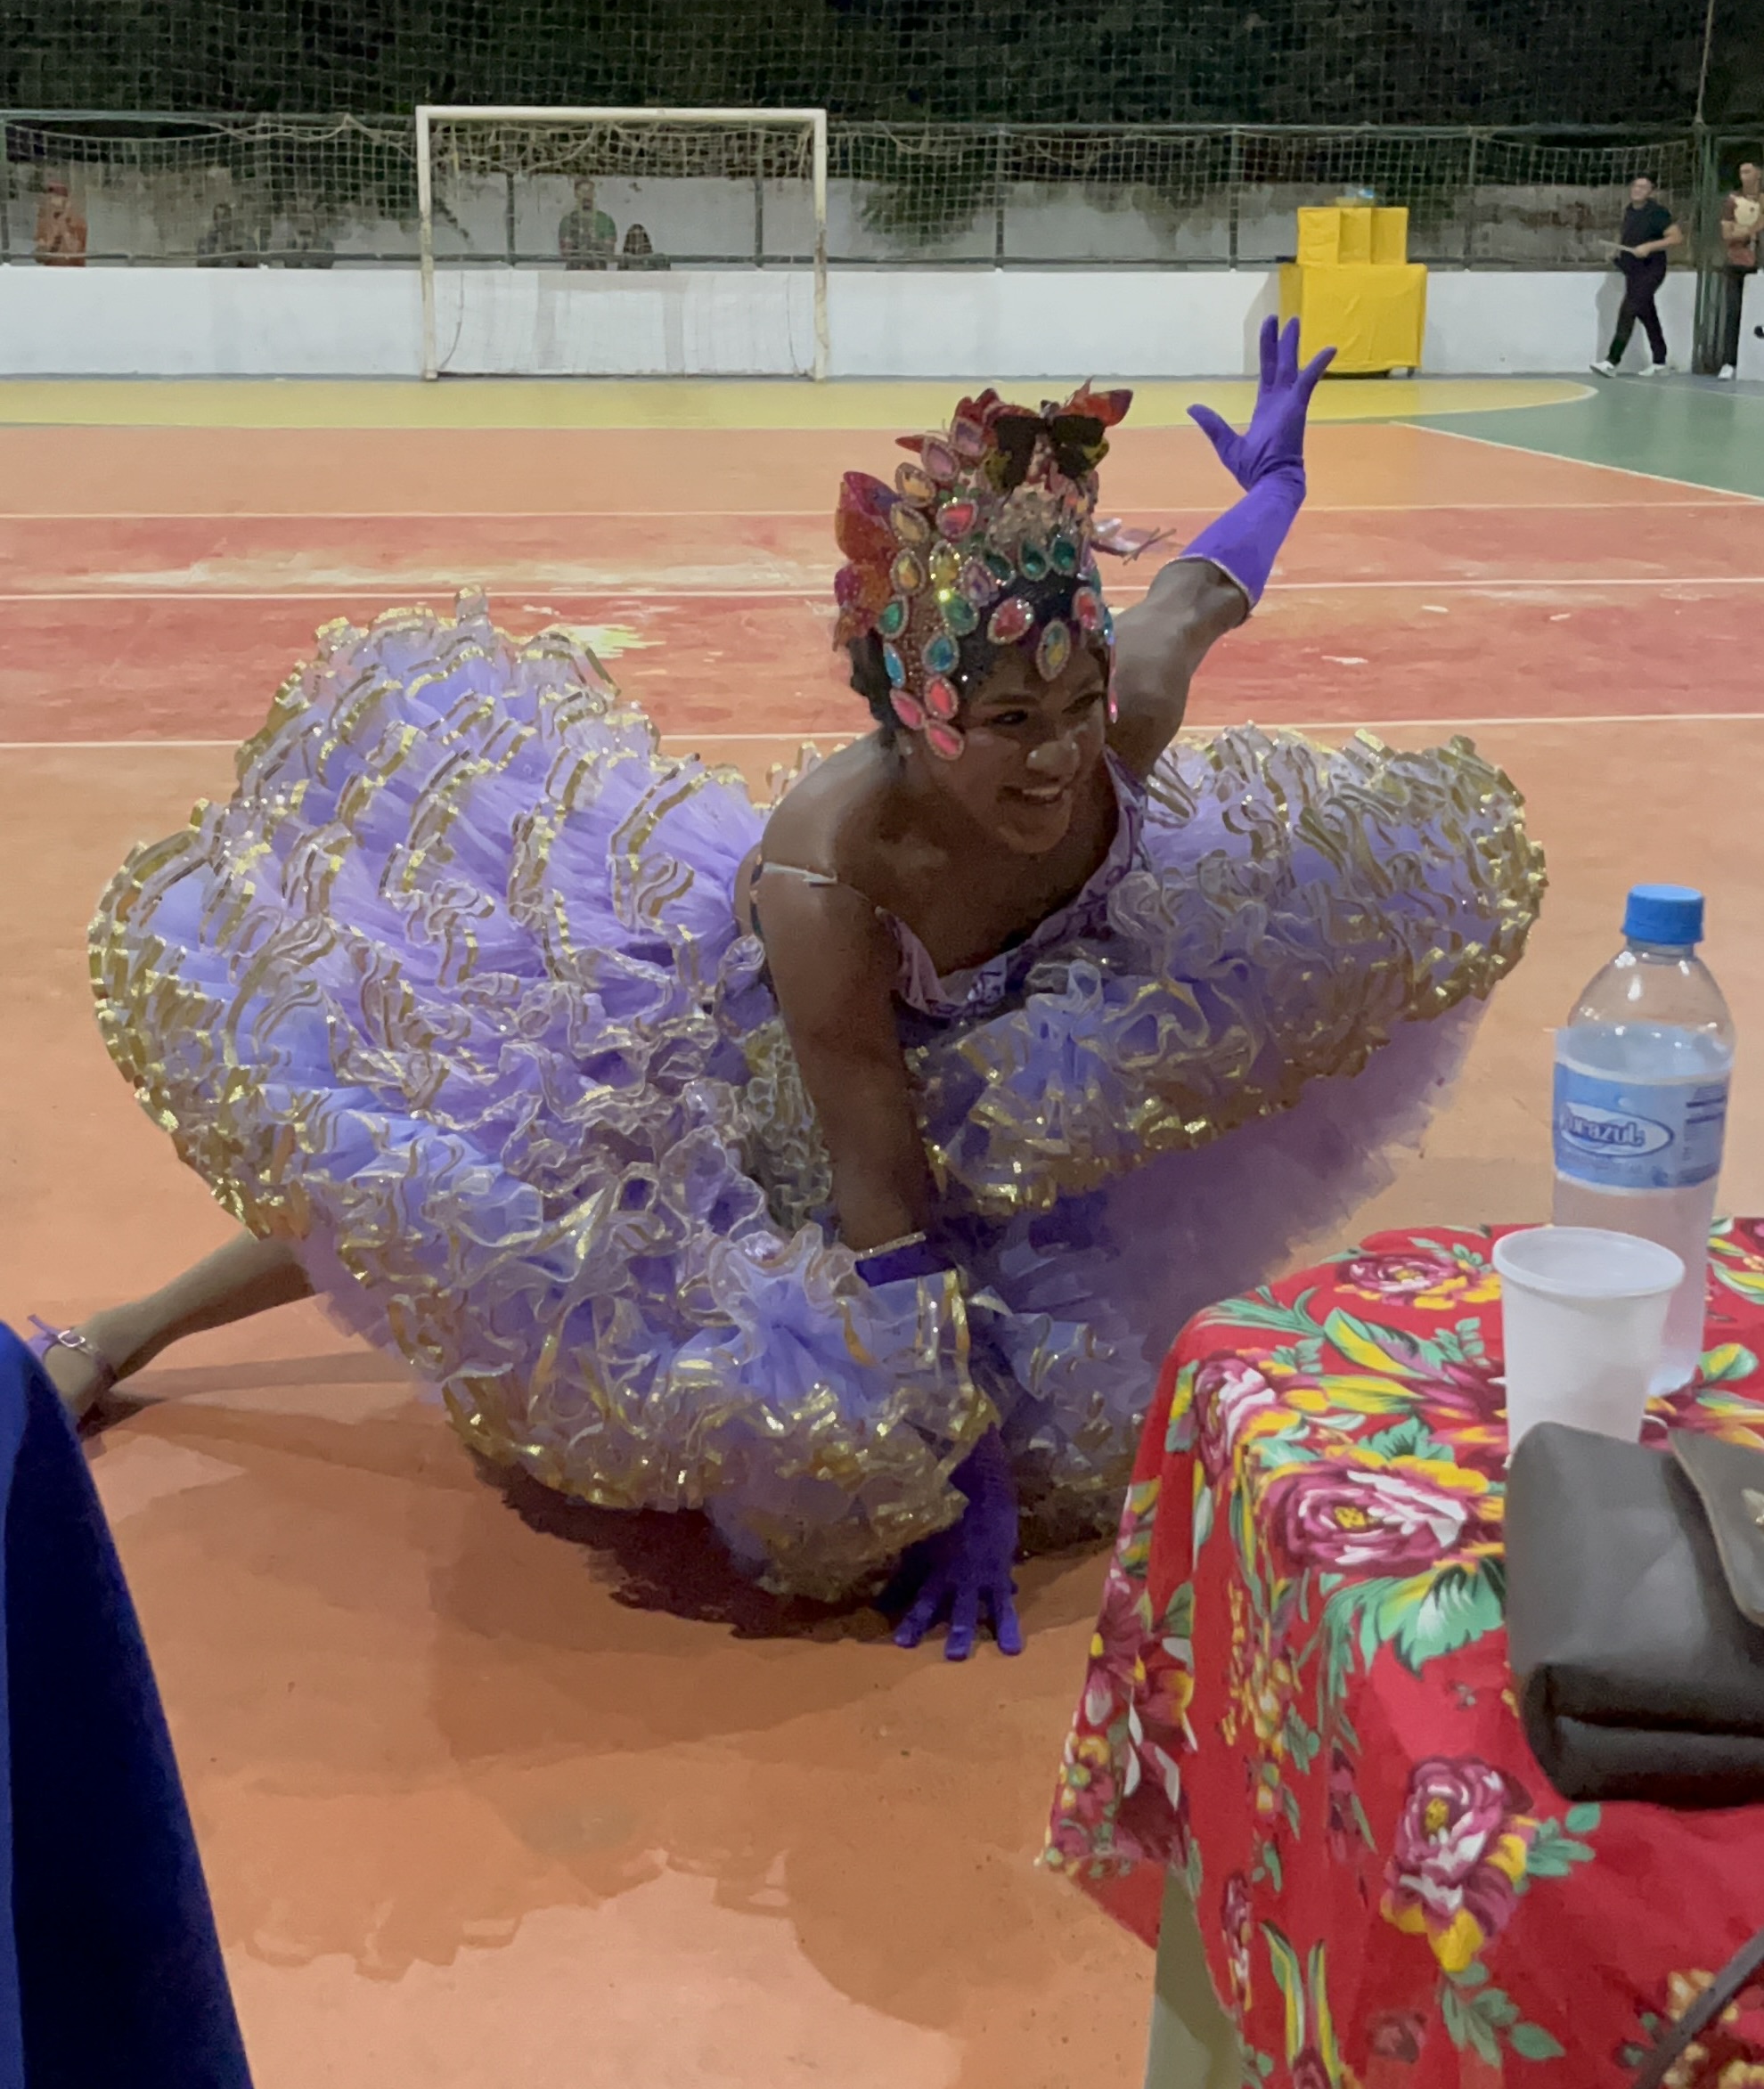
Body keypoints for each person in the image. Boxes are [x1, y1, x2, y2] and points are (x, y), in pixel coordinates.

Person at [44, 322, 1542, 1656]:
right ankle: (123, 1335)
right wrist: (966, 1476)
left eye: (1077, 706)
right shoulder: (831, 874)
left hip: (1000, 1031)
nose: (1055, 755)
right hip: (765, 1061)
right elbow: (879, 1187)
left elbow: (1204, 591)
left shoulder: (1113, 728)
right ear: (918, 714)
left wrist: (1275, 479)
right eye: (1008, 721)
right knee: (477, 1203)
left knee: (1321, 938)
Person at [1591, 173, 1681, 377]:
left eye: (1643, 187)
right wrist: (1615, 250)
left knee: (1628, 310)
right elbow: (1624, 234)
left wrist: (1649, 246)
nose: (1637, 190)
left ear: (1650, 192)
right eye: (1635, 186)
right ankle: (1660, 361)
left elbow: (1676, 238)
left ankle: (1612, 362)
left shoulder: (1658, 213)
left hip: (1651, 270)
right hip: (1633, 270)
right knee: (1647, 314)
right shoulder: (1629, 211)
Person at [1718, 158, 1763, 378]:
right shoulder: (1733, 200)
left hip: (1760, 262)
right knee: (1733, 312)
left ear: (1759, 174)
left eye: (1748, 171)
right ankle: (1730, 362)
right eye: (1741, 172)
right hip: (1738, 262)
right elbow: (1727, 234)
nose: (1743, 176)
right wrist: (1749, 230)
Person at [558, 180, 617, 269]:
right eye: (582, 191)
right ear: (576, 194)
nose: (586, 195)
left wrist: (595, 243)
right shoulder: (568, 220)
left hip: (598, 270)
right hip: (575, 271)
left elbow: (610, 252)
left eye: (590, 191)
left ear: (594, 194)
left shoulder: (605, 220)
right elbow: (565, 253)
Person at [33, 178, 86, 266]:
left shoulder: (78, 222)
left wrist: (64, 228)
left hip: (73, 271)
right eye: (49, 197)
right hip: (51, 271)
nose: (51, 200)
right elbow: (39, 256)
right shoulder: (44, 223)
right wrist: (49, 248)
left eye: (56, 196)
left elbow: (77, 252)